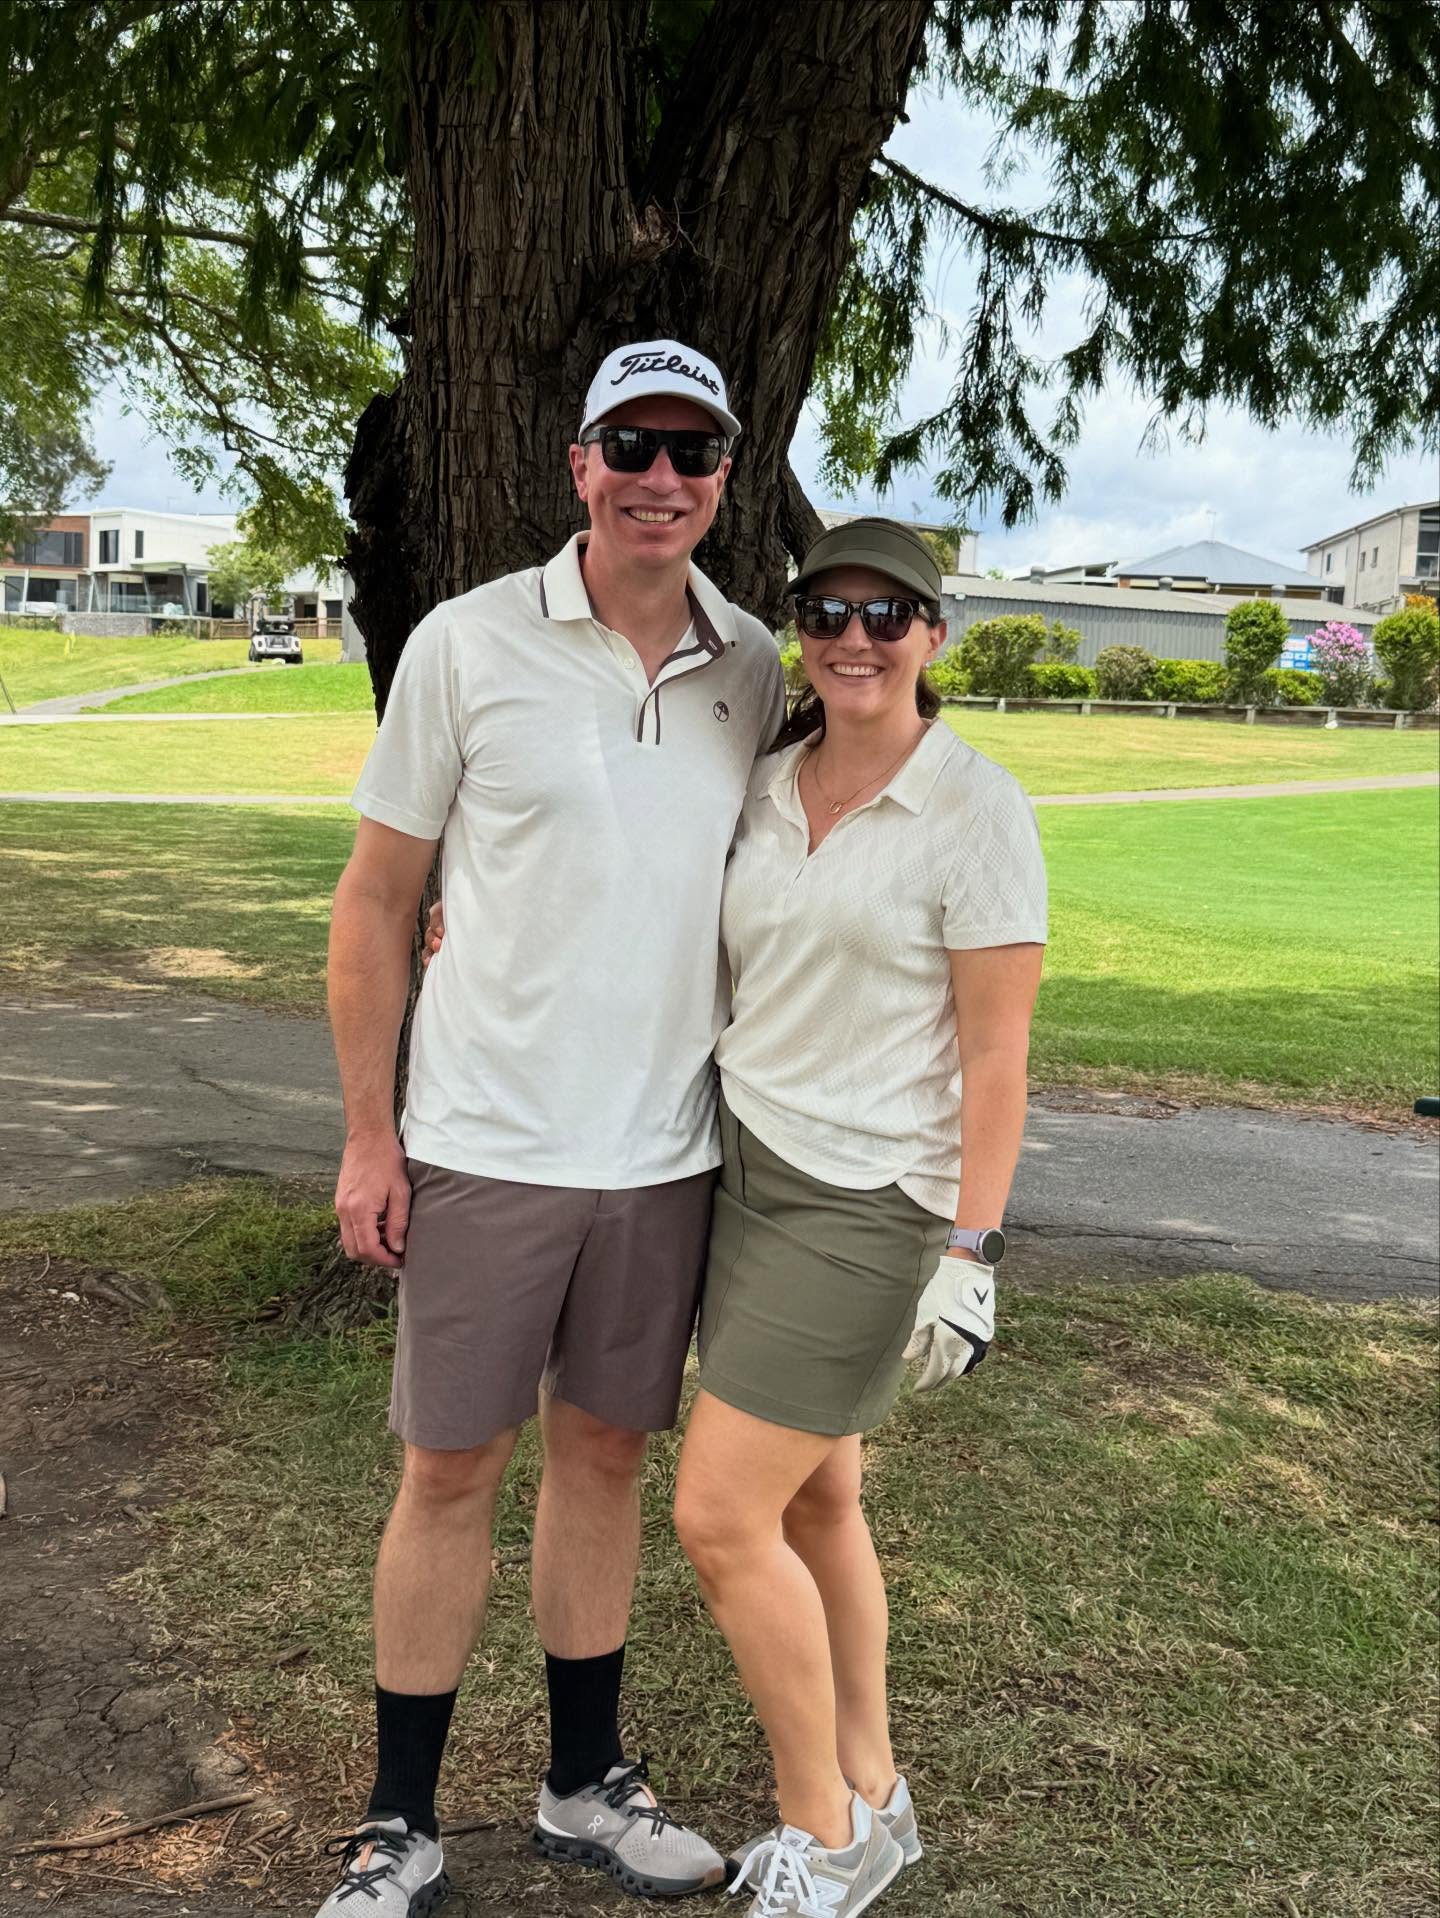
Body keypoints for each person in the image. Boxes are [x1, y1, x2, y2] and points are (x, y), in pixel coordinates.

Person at [319, 339, 785, 1915]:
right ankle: (400, 1821)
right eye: (633, 445)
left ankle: (583, 1783)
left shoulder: (758, 664)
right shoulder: (467, 642)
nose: (665, 477)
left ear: (727, 471)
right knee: (449, 1472)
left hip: (665, 1154)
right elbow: (381, 898)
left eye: (695, 450)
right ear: (579, 462)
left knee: (604, 1464)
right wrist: (371, 1136)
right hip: (485, 1140)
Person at [670, 518, 1048, 1917]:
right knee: (820, 1493)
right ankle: (875, 1791)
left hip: (873, 1196)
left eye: (889, 615)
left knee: (718, 1514)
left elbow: (997, 1055)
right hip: (747, 1172)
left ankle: (819, 1832)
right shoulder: (766, 786)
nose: (855, 637)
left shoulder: (976, 808)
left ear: (933, 636)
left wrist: (968, 1247)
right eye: (828, 610)